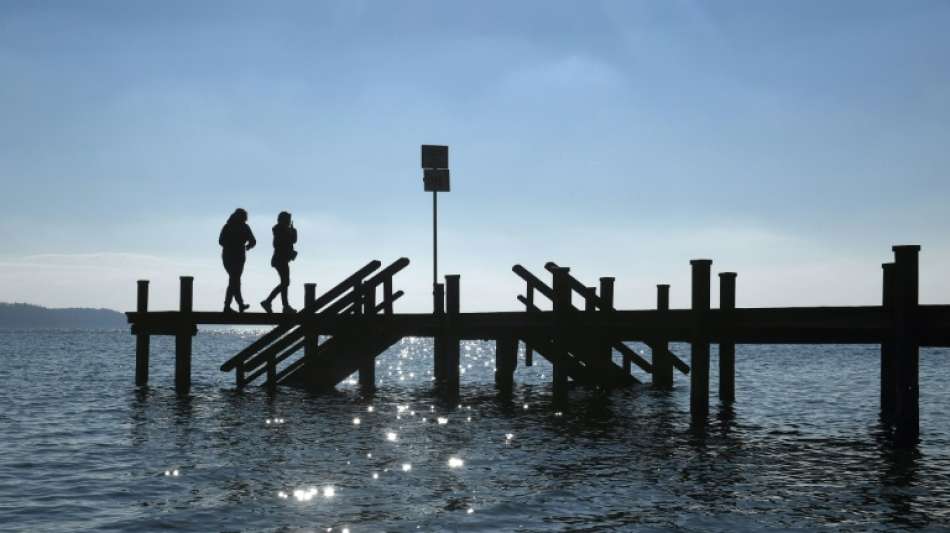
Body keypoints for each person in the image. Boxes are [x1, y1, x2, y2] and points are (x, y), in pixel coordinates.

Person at [218, 208, 256, 312]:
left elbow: (253, 241)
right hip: (231, 256)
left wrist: (248, 246)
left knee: (234, 280)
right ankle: (236, 305)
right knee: (235, 280)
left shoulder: (235, 227)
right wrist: (243, 245)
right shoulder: (230, 227)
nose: (245, 219)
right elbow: (221, 241)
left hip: (236, 256)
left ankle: (231, 306)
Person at [261, 211, 298, 313]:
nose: (289, 222)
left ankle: (283, 305)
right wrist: (292, 231)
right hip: (280, 259)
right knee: (285, 282)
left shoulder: (283, 230)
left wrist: (293, 231)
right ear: (284, 220)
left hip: (281, 260)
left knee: (285, 283)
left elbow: (293, 240)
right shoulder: (280, 230)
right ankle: (269, 302)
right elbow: (289, 241)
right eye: (288, 220)